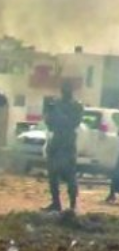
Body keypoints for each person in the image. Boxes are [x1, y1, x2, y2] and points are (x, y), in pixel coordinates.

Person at [44, 81, 83, 213]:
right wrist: (49, 112)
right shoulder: (56, 104)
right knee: (52, 174)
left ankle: (72, 205)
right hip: (57, 140)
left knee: (70, 174)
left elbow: (73, 122)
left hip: (67, 141)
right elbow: (49, 123)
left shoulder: (77, 106)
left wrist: (57, 114)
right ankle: (56, 202)